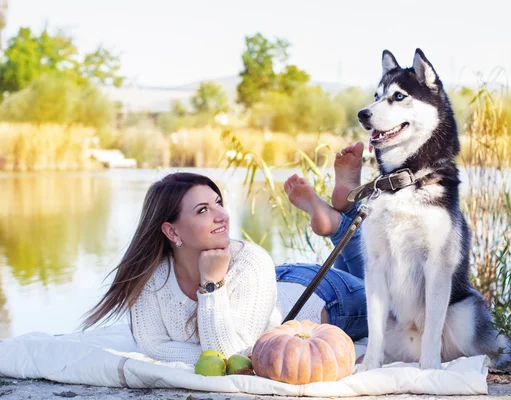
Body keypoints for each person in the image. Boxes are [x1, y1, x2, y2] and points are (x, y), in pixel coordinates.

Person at [81, 143, 368, 365]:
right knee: (364, 273)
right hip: (277, 282)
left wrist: (212, 285)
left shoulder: (250, 260)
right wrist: (208, 347)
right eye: (203, 210)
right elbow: (152, 345)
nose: (222, 215)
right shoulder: (152, 275)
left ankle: (344, 218)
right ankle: (340, 220)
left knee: (385, 296)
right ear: (171, 232)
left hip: (328, 297)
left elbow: (231, 355)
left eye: (218, 203)